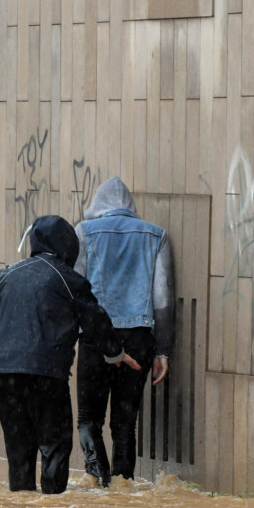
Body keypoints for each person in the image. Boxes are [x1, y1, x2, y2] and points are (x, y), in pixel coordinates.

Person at [0, 215, 140, 495]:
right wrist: (116, 354)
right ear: (68, 246)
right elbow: (96, 320)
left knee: (19, 446)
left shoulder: (10, 272)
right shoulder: (69, 279)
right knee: (55, 444)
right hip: (43, 373)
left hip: (1, 372)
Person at [73, 177, 174, 486]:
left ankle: (99, 481)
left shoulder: (84, 232)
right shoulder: (156, 236)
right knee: (125, 423)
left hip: (96, 337)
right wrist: (163, 350)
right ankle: (122, 487)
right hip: (140, 337)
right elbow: (163, 298)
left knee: (89, 419)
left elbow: (77, 291)